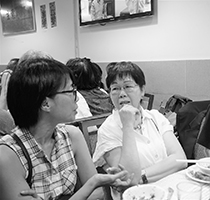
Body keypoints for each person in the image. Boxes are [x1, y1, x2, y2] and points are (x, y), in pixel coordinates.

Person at [0, 58, 131, 200]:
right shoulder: (8, 155)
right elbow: (92, 188)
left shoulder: (71, 135)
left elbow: (97, 194)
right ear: (45, 103)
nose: (77, 98)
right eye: (71, 91)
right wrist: (92, 184)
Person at [92, 61, 187, 199]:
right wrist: (127, 125)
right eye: (115, 88)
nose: (122, 94)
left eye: (128, 86)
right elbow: (128, 178)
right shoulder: (107, 129)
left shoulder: (155, 117)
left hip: (168, 190)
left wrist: (141, 176)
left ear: (142, 90)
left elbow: (180, 159)